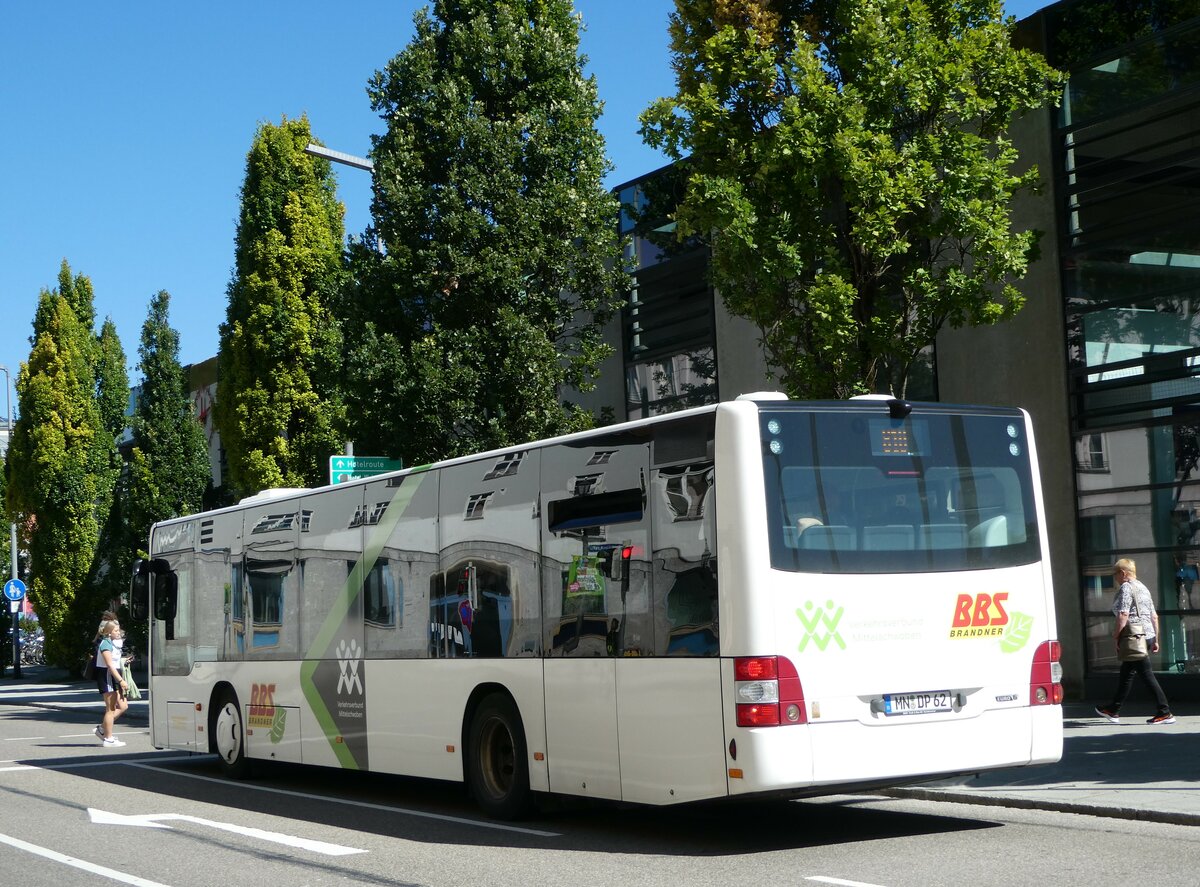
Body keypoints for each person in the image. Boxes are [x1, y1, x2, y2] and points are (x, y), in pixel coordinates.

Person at [1095, 558, 1176, 725]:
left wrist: (1116, 636)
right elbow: (1154, 616)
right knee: (1127, 673)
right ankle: (1113, 709)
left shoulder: (1126, 587)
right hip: (1147, 636)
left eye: (1115, 574)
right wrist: (1156, 639)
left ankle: (1165, 712)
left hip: (1133, 638)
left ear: (1123, 573)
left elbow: (1123, 614)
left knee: (1146, 675)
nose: (1115, 578)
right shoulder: (1143, 588)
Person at [94, 618, 129, 747]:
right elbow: (109, 665)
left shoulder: (113, 643)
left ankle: (102, 729)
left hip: (113, 675)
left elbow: (114, 661)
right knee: (111, 709)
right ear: (109, 632)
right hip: (108, 676)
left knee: (123, 706)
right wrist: (121, 681)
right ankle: (108, 739)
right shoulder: (105, 644)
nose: (118, 632)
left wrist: (125, 660)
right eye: (116, 630)